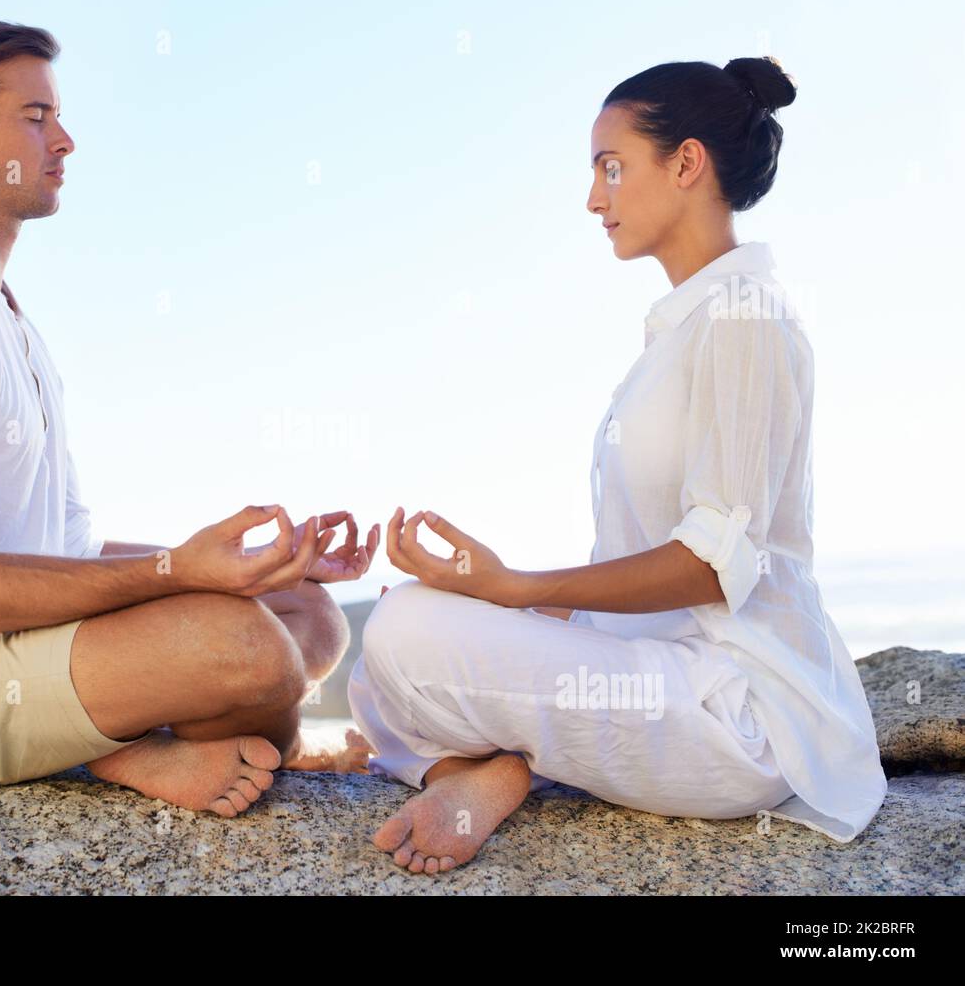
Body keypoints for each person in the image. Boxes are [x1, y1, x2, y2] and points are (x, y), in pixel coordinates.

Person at [0, 13, 379, 819]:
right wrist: (179, 575)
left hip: (6, 647)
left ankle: (151, 734)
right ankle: (127, 751)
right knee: (250, 648)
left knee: (308, 617)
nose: (65, 138)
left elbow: (67, 548)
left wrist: (256, 565)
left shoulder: (3, 314)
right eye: (35, 117)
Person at [347, 57, 887, 875]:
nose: (594, 198)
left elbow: (711, 569)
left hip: (736, 711)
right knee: (394, 631)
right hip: (656, 668)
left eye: (611, 167)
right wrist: (486, 594)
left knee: (405, 634)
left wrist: (517, 589)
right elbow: (631, 592)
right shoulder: (680, 331)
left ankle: (507, 761)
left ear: (686, 162)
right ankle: (485, 771)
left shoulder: (744, 319)